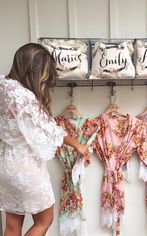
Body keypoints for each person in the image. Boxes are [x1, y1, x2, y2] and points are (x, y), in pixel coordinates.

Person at [0, 43, 88, 236]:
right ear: (33, 70)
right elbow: (49, 130)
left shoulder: (2, 86)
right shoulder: (22, 97)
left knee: (12, 226)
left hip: (6, 163)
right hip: (25, 165)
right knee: (44, 221)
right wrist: (78, 145)